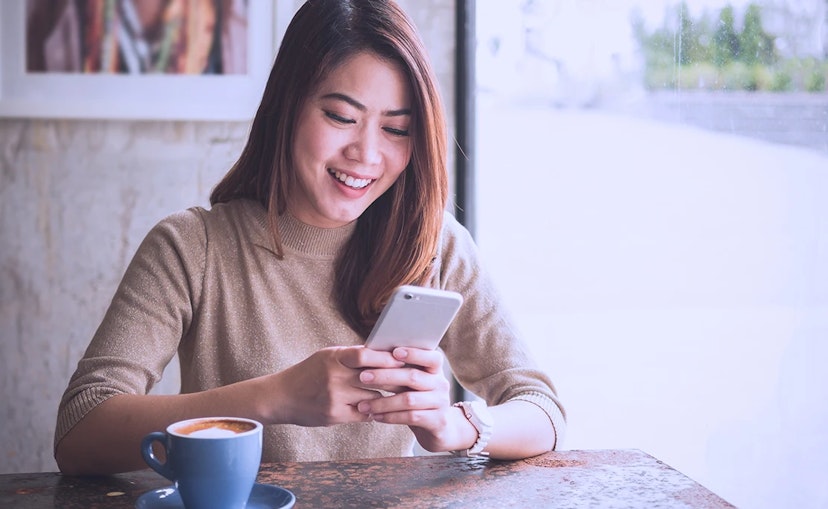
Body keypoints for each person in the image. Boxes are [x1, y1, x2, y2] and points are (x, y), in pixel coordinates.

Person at [54, 0, 566, 475]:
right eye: (342, 117)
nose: (366, 154)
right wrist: (275, 397)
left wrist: (457, 425)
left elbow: (542, 410)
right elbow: (80, 430)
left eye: (396, 129)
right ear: (287, 107)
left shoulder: (432, 242)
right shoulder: (193, 247)